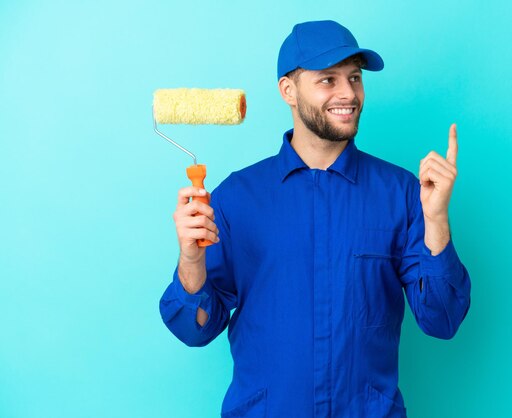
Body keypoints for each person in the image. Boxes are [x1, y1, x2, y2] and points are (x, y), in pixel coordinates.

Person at [159, 19, 471, 418]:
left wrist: (437, 219)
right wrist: (190, 260)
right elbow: (194, 328)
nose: (349, 93)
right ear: (288, 90)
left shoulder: (403, 193)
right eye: (328, 80)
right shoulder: (237, 197)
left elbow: (442, 320)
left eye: (354, 78)